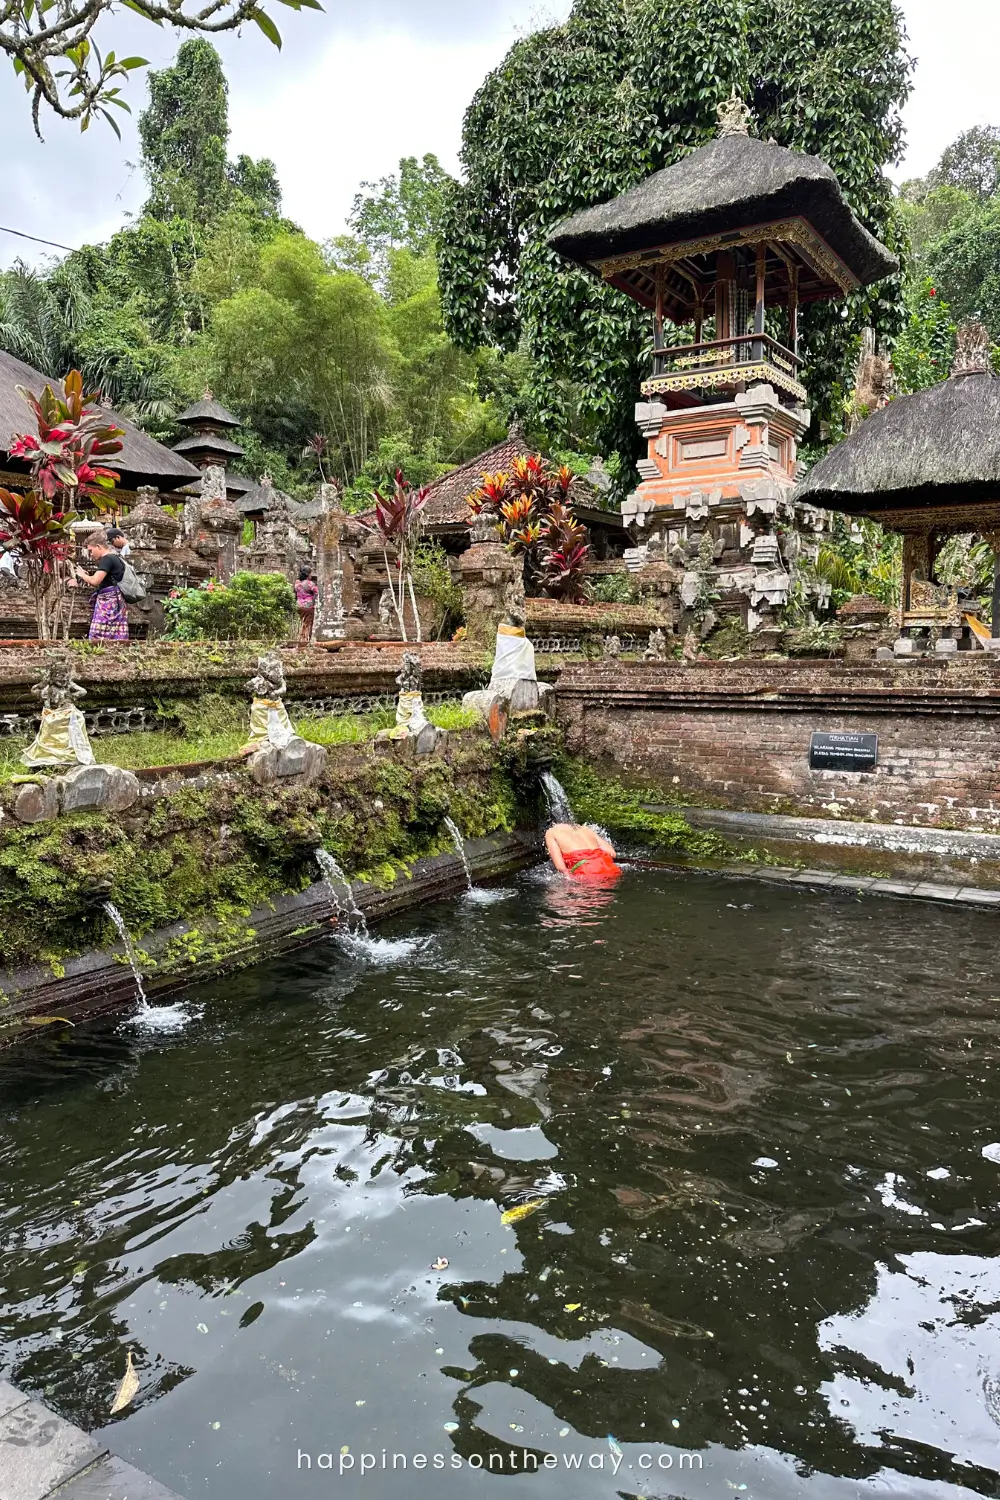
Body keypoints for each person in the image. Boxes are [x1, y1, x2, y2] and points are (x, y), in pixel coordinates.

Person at [70, 529, 129, 643]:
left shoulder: (107, 559)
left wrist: (82, 575)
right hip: (117, 600)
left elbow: (95, 581)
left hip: (109, 603)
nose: (91, 555)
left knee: (98, 635)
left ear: (98, 547)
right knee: (115, 634)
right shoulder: (115, 557)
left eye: (91, 551)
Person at [545, 822, 622, 882]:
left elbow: (561, 868)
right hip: (609, 868)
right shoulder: (583, 828)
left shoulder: (551, 832)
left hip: (587, 873)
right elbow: (612, 853)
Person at [294, 567, 318, 644]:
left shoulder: (297, 583)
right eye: (311, 573)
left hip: (299, 606)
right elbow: (317, 592)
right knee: (308, 623)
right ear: (308, 574)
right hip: (308, 607)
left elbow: (295, 593)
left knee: (301, 623)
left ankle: (300, 638)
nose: (311, 575)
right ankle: (305, 640)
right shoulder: (310, 583)